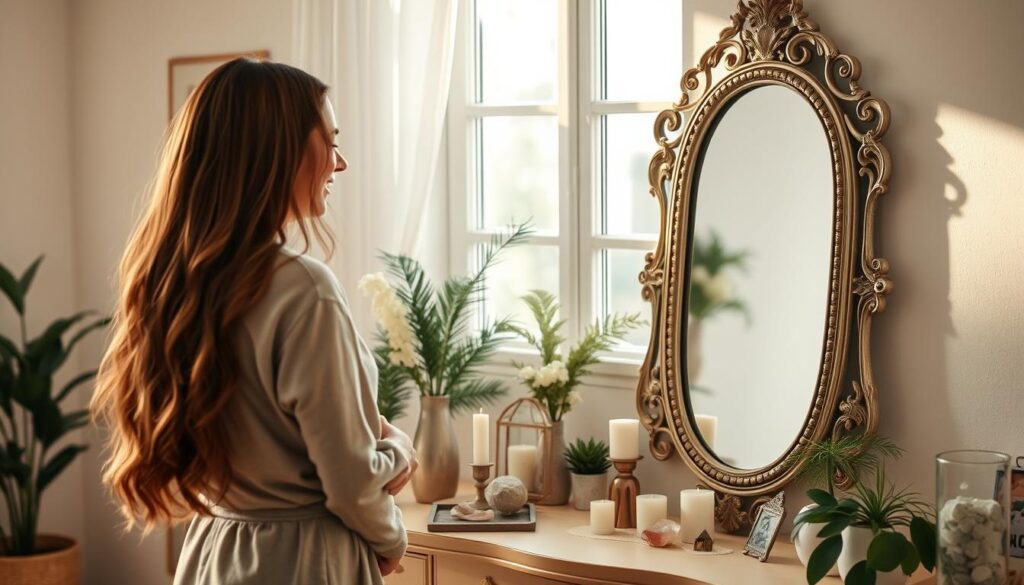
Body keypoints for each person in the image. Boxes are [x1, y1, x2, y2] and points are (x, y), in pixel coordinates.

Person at [91, 58, 416, 584]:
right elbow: (352, 482)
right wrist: (397, 484)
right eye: (330, 141)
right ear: (278, 151)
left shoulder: (178, 284)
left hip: (214, 552)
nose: (340, 163)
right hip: (304, 561)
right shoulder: (305, 289)